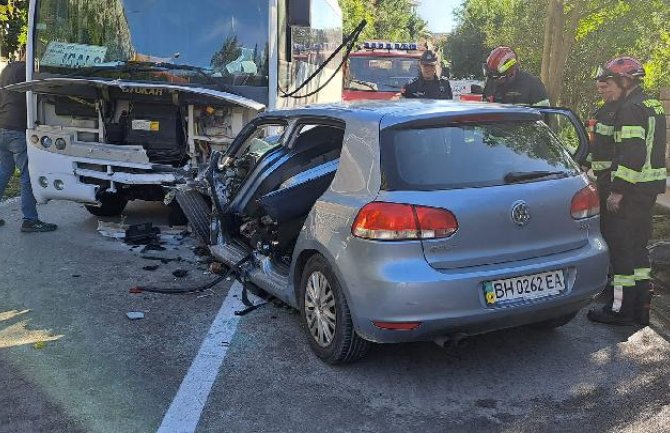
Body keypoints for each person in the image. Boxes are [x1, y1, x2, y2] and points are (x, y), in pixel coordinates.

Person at [587, 56, 666, 326]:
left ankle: (619, 309)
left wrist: (617, 191)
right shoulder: (651, 104)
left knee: (622, 253)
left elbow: (632, 154)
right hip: (647, 191)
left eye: (607, 82)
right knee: (638, 251)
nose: (602, 87)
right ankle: (641, 306)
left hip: (630, 193)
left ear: (625, 80)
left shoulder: (630, 109)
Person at [0, 52, 57, 232]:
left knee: (3, 171)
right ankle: (30, 220)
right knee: (27, 176)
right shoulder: (27, 73)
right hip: (17, 130)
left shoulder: (6, 70)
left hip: (2, 126)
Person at [482, 46, 550, 106]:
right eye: (492, 77)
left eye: (498, 77)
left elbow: (544, 115)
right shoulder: (490, 82)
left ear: (511, 73)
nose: (494, 81)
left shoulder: (533, 84)